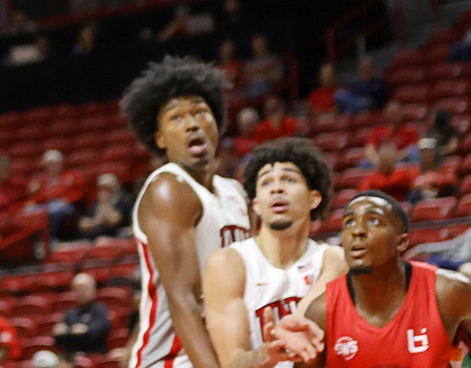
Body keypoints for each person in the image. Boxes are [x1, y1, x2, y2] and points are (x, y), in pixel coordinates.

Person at [120, 56, 251, 368]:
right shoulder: (169, 189)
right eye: (176, 118)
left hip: (226, 350)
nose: (192, 123)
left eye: (200, 112)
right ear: (160, 138)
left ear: (217, 122)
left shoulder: (234, 192)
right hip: (175, 359)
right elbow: (184, 301)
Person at [270, 191, 471, 366]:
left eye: (374, 220)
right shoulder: (320, 313)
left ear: (401, 242)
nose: (357, 231)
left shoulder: (449, 293)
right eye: (349, 222)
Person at [202, 138, 346, 368]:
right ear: (257, 205)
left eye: (289, 179)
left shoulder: (332, 259)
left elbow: (304, 325)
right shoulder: (229, 263)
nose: (277, 188)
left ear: (314, 198)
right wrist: (265, 356)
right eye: (266, 182)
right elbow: (232, 362)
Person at [28, 150, 88, 241]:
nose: (51, 166)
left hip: (67, 206)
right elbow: (38, 199)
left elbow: (80, 193)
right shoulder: (41, 181)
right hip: (47, 206)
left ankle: (48, 240)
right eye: (49, 164)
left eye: (54, 163)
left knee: (54, 209)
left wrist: (67, 199)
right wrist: (33, 196)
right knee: (28, 210)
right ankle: (32, 242)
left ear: (61, 163)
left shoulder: (72, 175)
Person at [52, 274, 111, 357]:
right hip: (72, 358)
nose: (80, 292)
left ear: (93, 290)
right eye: (77, 289)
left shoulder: (100, 310)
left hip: (93, 356)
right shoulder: (70, 313)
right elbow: (59, 336)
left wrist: (86, 330)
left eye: (84, 289)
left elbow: (99, 331)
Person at [77, 172, 133, 241]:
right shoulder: (96, 204)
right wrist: (99, 220)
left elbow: (114, 221)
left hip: (115, 236)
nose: (103, 192)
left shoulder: (123, 200)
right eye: (101, 188)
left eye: (107, 188)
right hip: (94, 238)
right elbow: (82, 225)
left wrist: (105, 203)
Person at [242, 35, 283, 101]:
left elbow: (278, 76)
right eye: (256, 44)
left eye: (260, 44)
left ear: (265, 44)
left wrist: (259, 74)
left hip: (266, 88)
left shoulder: (274, 59)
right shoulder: (249, 63)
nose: (258, 46)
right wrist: (263, 70)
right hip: (248, 89)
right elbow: (245, 77)